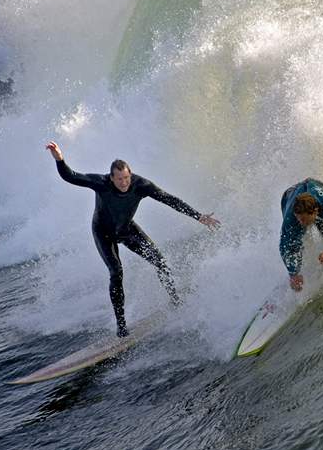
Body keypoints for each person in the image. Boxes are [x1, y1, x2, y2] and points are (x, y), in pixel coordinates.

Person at [45, 141, 220, 337]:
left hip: (127, 230)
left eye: (126, 178)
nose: (124, 183)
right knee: (116, 272)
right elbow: (72, 176)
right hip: (103, 233)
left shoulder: (140, 185)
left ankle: (175, 300)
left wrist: (198, 216)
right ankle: (121, 327)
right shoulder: (101, 183)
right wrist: (59, 159)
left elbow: (170, 199)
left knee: (160, 261)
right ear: (111, 178)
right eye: (119, 179)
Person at [279, 178, 323, 291]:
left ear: (315, 211)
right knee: (296, 243)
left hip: (316, 191)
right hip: (288, 197)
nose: (301, 223)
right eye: (299, 219)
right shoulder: (291, 218)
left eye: (304, 219)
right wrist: (293, 274)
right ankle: (300, 272)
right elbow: (284, 247)